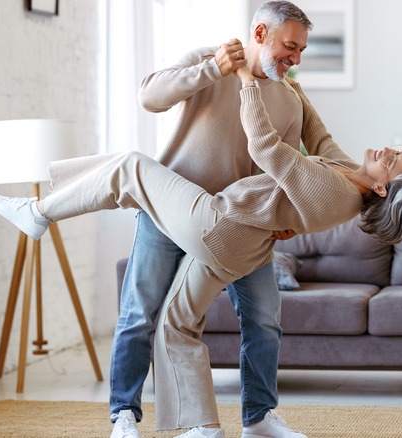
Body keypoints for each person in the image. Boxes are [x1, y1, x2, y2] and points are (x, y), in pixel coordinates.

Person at [0, 63, 402, 437]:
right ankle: (204, 425)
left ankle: (39, 211)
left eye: (393, 161)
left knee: (131, 168)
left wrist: (247, 82)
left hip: (217, 225)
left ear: (381, 187)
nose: (388, 150)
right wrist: (295, 89)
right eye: (396, 150)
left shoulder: (333, 191)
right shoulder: (345, 174)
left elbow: (266, 147)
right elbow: (318, 136)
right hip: (243, 242)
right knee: (177, 322)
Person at [110, 2, 313, 438]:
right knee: (140, 313)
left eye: (300, 51)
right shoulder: (210, 58)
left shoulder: (289, 98)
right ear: (260, 33)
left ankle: (258, 417)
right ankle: (124, 414)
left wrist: (286, 214)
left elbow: (286, 169)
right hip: (167, 214)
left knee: (264, 318)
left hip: (237, 227)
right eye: (290, 47)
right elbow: (148, 95)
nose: (296, 59)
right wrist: (212, 69)